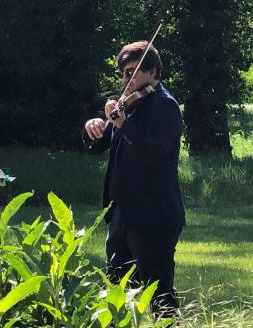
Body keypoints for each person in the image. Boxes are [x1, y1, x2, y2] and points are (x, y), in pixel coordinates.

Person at [83, 41, 185, 319]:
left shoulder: (165, 106)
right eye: (122, 74)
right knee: (117, 295)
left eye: (131, 72)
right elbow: (100, 145)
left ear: (152, 72)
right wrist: (93, 126)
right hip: (122, 216)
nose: (125, 80)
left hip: (153, 217)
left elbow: (153, 155)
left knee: (160, 298)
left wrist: (122, 124)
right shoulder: (129, 105)